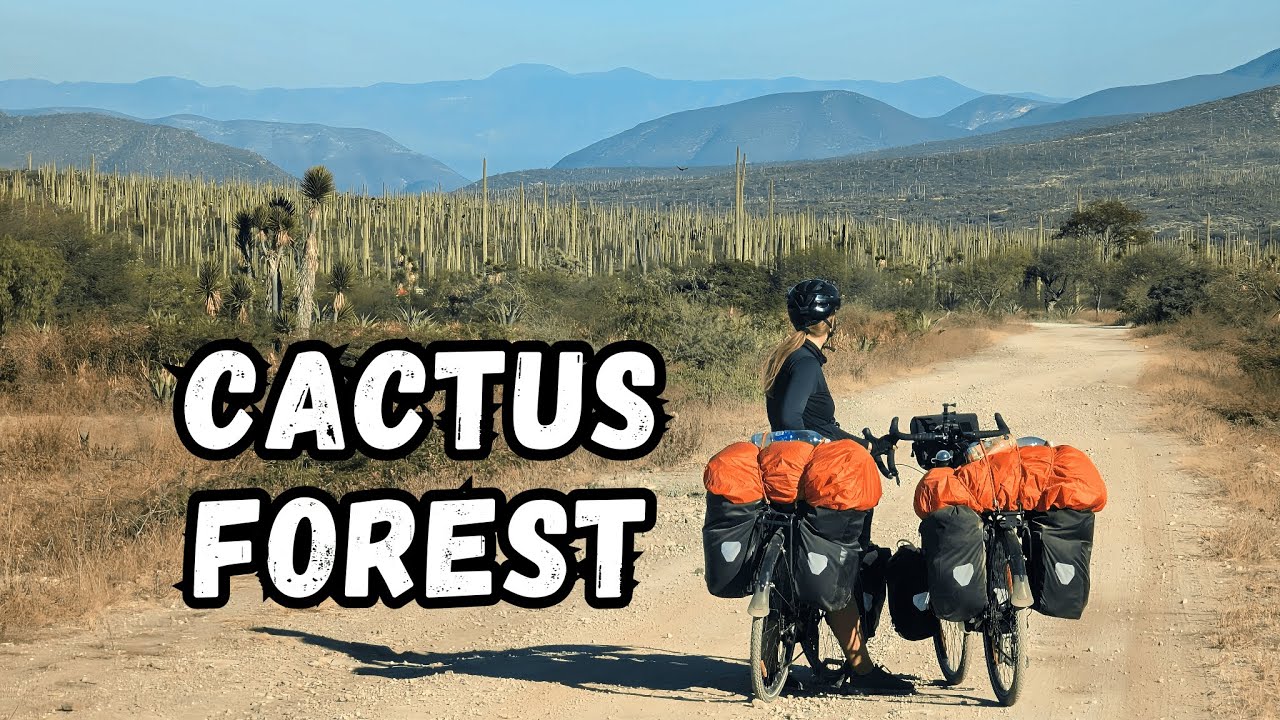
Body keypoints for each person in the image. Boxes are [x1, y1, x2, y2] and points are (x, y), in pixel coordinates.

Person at [762, 278, 914, 695]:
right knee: (843, 560)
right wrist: (837, 450)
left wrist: (860, 443)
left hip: (791, 467)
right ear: (829, 320)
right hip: (814, 475)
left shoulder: (788, 357)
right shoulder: (806, 363)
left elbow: (817, 424)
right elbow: (794, 422)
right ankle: (861, 669)